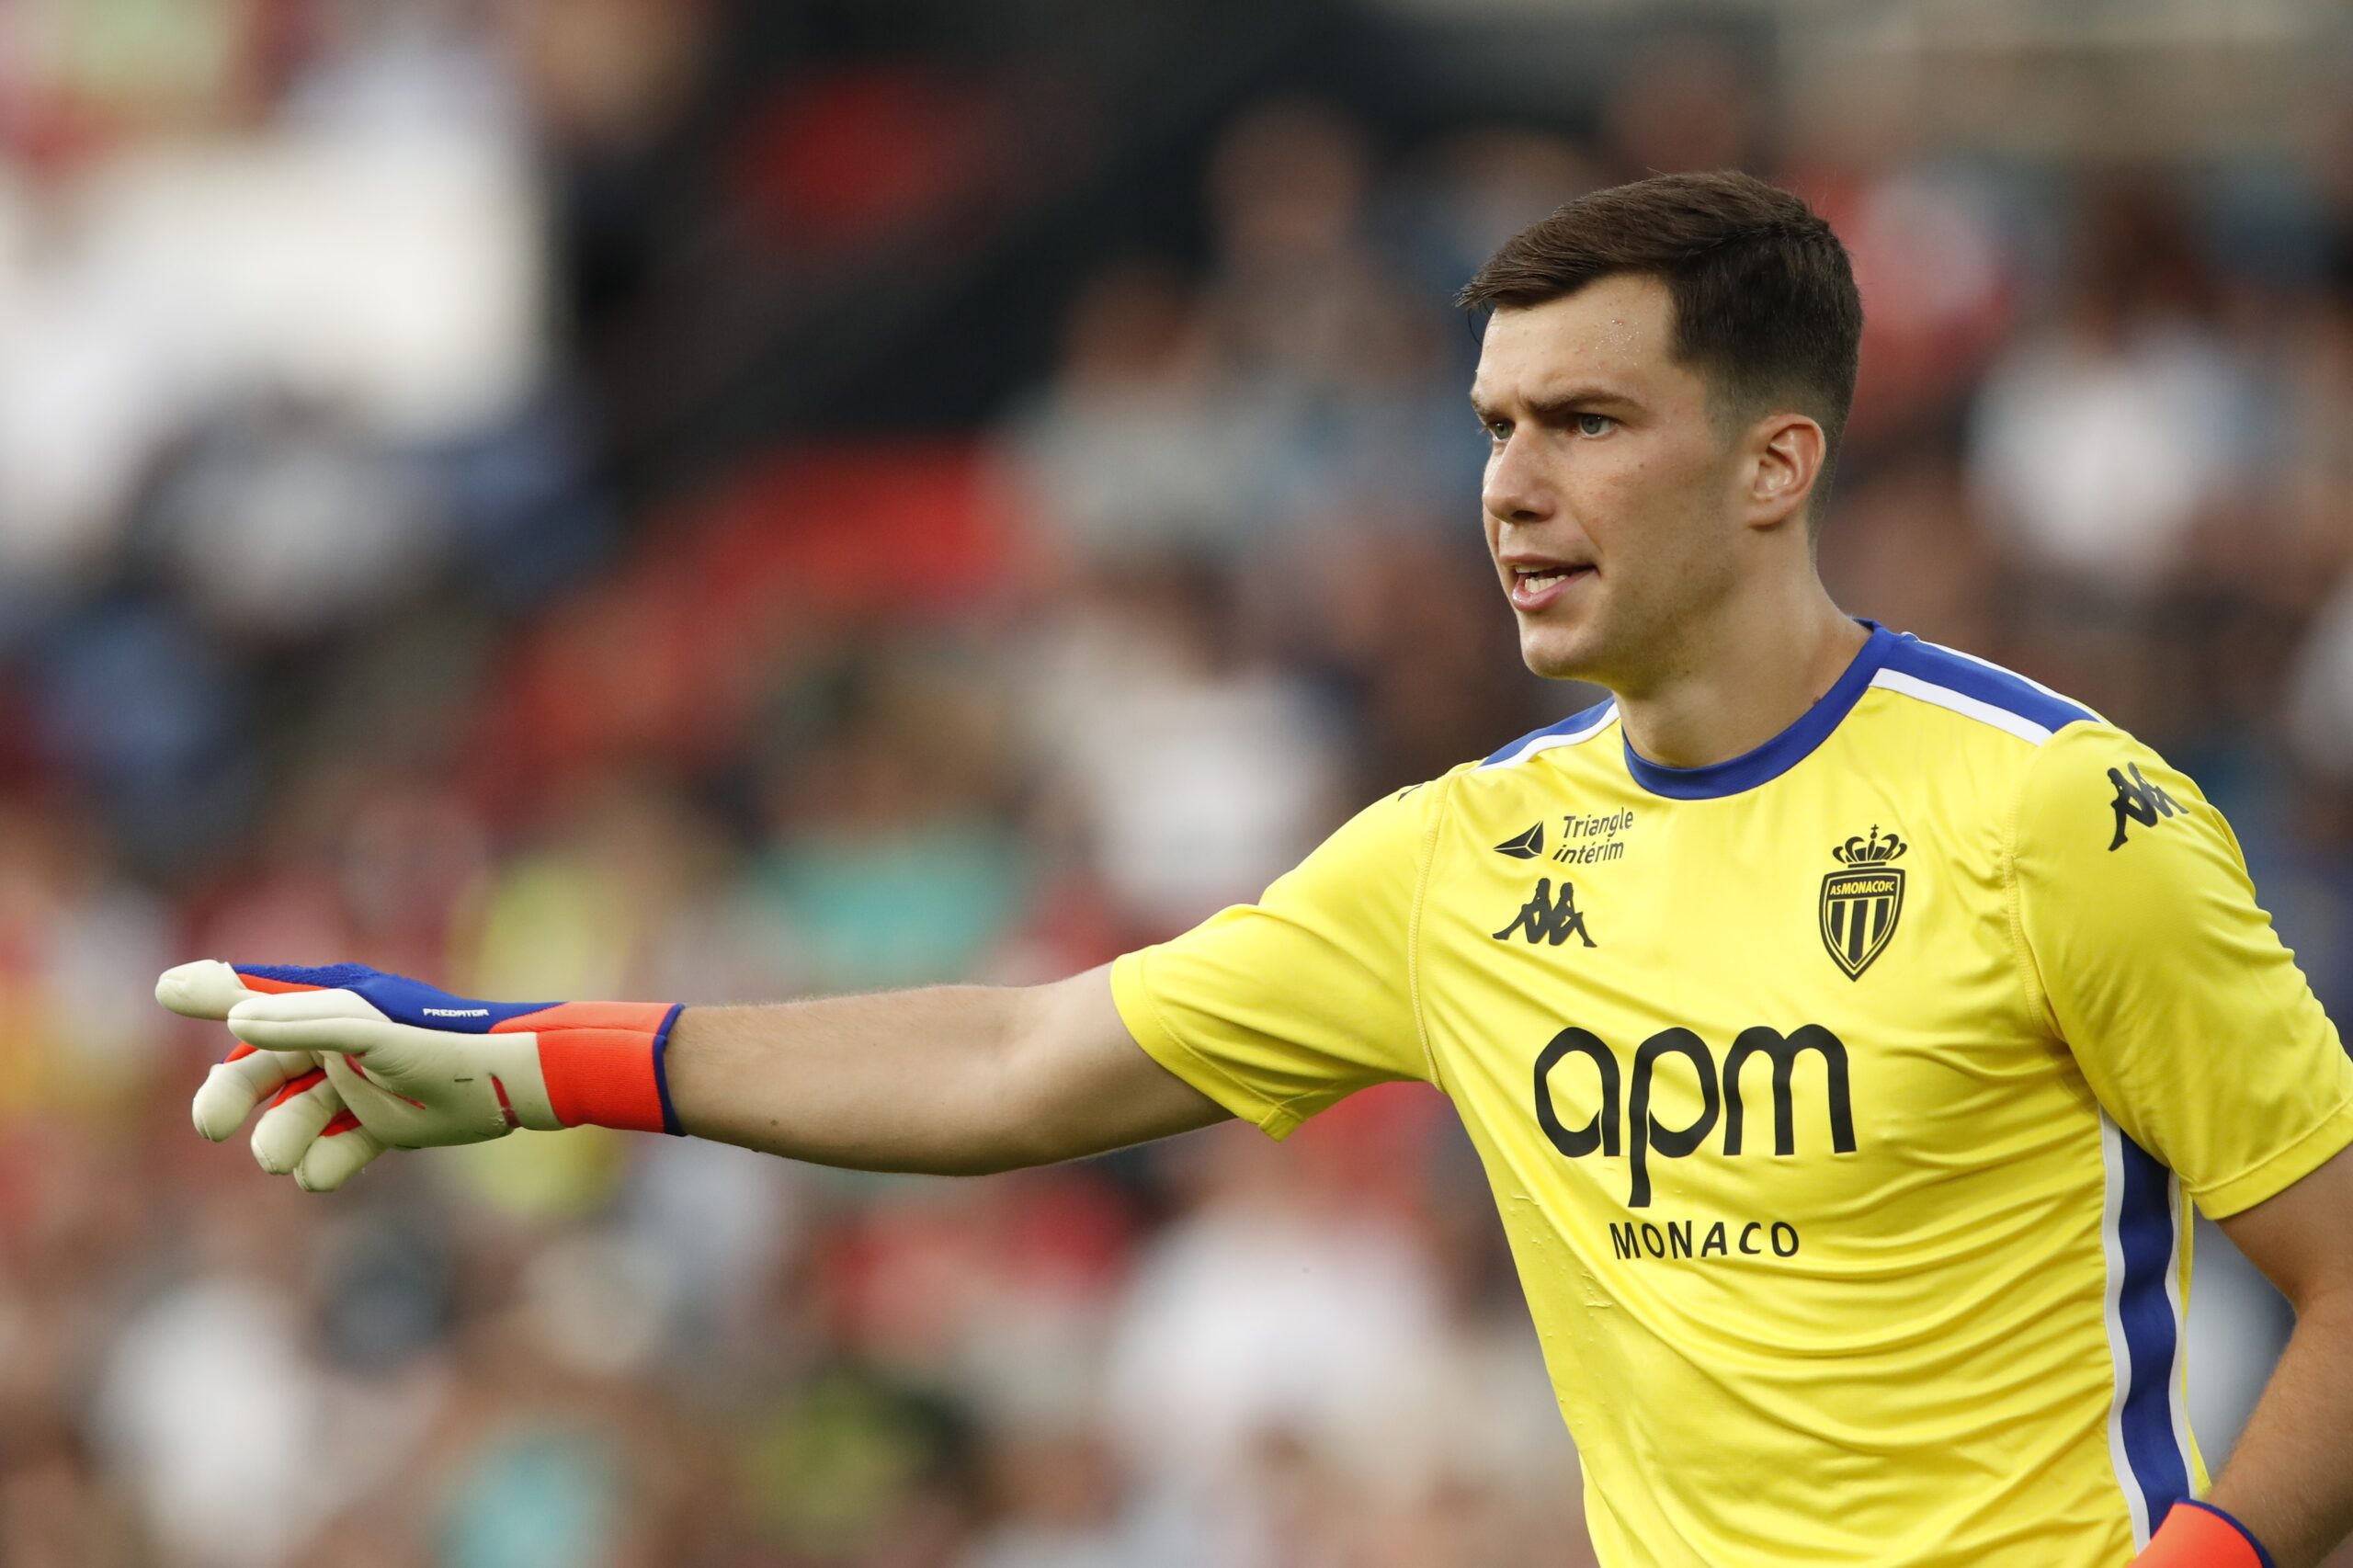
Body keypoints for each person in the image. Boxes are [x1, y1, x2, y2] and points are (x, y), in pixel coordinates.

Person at [160, 171, 2353, 1568]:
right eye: (1490, 425)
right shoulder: (1461, 855)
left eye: (1585, 422)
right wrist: (542, 1064)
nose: (1510, 483)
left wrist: (2216, 1563)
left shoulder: (2053, 812)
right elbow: (1019, 1063)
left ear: (1777, 459)